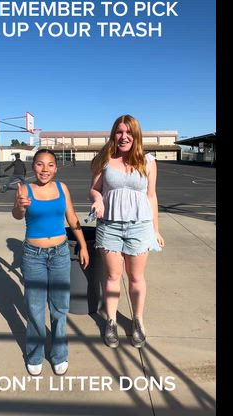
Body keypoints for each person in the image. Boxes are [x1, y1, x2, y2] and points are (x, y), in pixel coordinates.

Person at [89, 115, 164, 349]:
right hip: (110, 225)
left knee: (136, 277)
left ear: (136, 135)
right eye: (119, 132)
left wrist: (155, 229)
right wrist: (98, 200)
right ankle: (111, 321)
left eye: (128, 132)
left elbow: (151, 196)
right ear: (114, 134)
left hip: (140, 226)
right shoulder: (104, 159)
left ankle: (137, 320)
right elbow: (94, 189)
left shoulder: (148, 162)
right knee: (112, 277)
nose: (124, 137)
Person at [13, 149, 89, 377]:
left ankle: (59, 355)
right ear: (33, 166)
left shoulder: (61, 188)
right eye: (39, 164)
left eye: (50, 165)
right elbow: (17, 215)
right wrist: (20, 206)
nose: (44, 169)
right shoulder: (24, 189)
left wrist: (83, 245)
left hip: (60, 254)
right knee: (35, 308)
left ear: (56, 168)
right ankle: (35, 355)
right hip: (32, 255)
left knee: (59, 308)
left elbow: (72, 217)